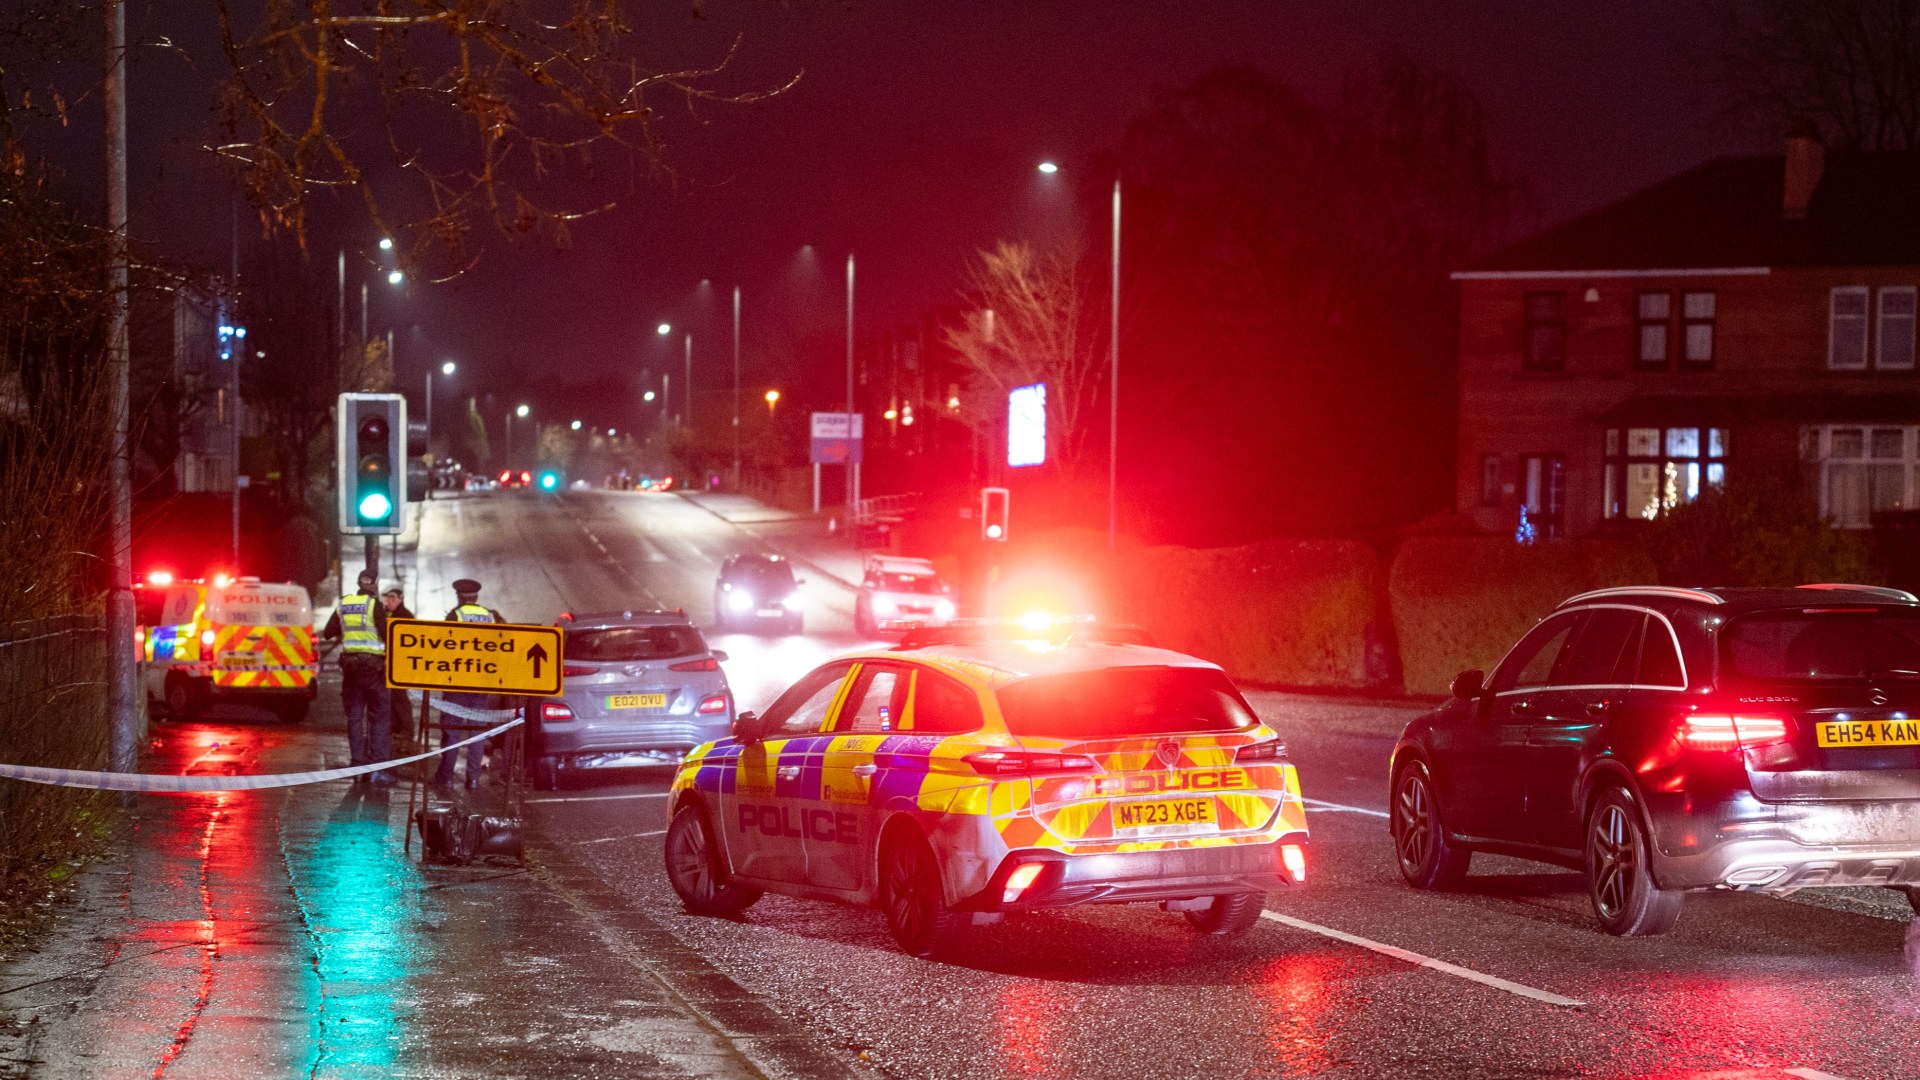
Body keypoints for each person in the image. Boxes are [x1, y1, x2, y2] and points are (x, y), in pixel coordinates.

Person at [320, 568, 393, 783]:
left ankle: (357, 765)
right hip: (373, 668)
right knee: (379, 716)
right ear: (375, 584)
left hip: (351, 669)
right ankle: (377, 769)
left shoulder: (344, 603)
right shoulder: (374, 605)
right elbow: (387, 635)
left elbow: (328, 631)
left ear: (359, 582)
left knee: (354, 716)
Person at [437, 578, 505, 788]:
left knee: (453, 732)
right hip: (481, 683)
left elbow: (442, 645)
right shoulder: (489, 616)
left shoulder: (455, 615)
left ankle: (446, 778)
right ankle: (473, 779)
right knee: (477, 733)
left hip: (457, 683)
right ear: (476, 597)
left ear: (459, 597)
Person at [382, 586, 417, 753]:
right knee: (391, 700)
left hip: (398, 666)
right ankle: (396, 731)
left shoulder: (405, 616)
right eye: (387, 597)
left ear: (400, 599)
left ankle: (406, 732)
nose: (389, 601)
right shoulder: (386, 614)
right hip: (387, 665)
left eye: (392, 598)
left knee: (399, 699)